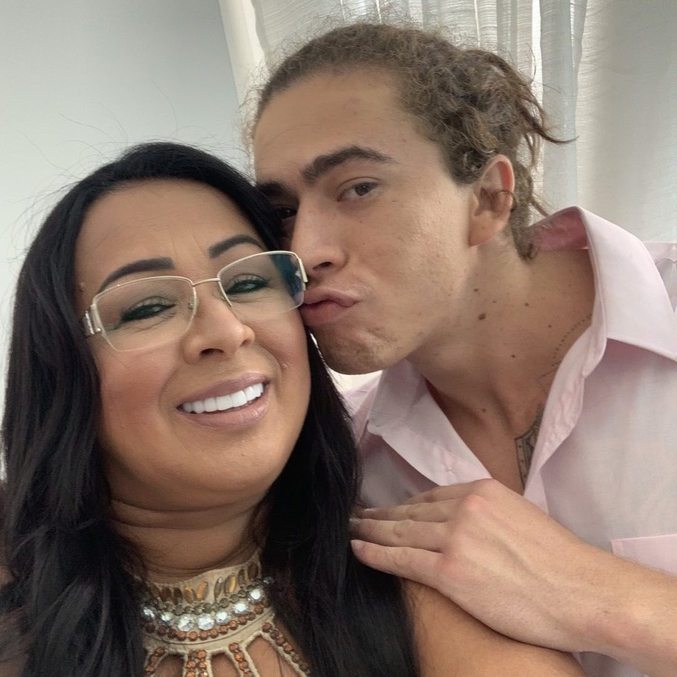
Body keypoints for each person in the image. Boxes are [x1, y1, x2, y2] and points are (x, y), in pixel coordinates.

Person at [0, 142, 583, 676]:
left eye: (249, 283)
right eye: (149, 307)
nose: (227, 331)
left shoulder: (427, 595)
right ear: (61, 368)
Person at [251, 21, 677, 677]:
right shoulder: (353, 470)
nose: (305, 252)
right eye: (282, 212)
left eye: (358, 188)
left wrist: (604, 599)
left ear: (487, 197)